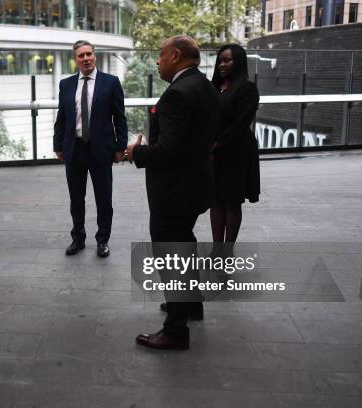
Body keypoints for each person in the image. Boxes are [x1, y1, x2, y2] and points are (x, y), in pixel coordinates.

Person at [125, 35, 218, 350]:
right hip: (195, 186)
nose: (157, 60)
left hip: (175, 190)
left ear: (176, 55)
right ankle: (191, 304)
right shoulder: (204, 86)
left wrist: (136, 152)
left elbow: (168, 150)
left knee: (171, 254)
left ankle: (175, 330)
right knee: (185, 244)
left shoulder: (178, 93)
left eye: (161, 55)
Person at [53, 40, 127, 258]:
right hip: (74, 149)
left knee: (104, 199)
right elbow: (62, 118)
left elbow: (120, 118)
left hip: (101, 151)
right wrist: (58, 145)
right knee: (76, 198)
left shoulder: (110, 82)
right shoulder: (66, 84)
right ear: (75, 59)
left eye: (88, 54)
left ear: (94, 56)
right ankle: (78, 238)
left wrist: (121, 146)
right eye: (80, 56)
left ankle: (102, 240)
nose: (85, 59)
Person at [210, 44, 260, 257]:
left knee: (231, 201)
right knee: (215, 200)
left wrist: (217, 144)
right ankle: (216, 248)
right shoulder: (213, 87)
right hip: (213, 152)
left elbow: (240, 124)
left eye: (227, 60)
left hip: (236, 151)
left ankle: (227, 250)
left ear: (238, 62)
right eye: (220, 60)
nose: (222, 64)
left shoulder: (247, 88)